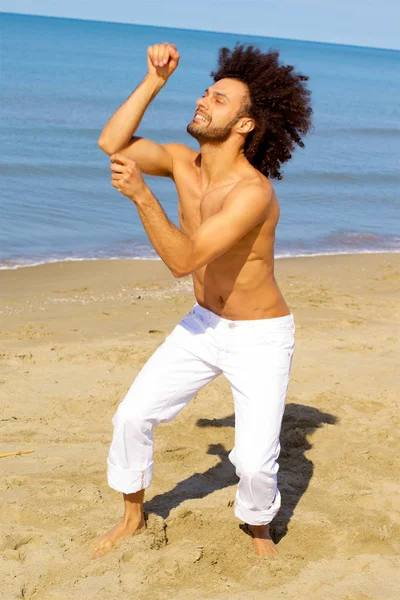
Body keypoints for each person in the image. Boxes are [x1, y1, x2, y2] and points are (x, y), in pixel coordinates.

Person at [91, 42, 312, 559]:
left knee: (255, 464)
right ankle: (132, 518)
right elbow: (111, 142)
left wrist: (144, 197)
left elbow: (184, 260)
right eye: (205, 93)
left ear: (244, 125)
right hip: (201, 324)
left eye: (219, 99)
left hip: (258, 336)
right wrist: (154, 80)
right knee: (131, 417)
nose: (203, 101)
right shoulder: (181, 163)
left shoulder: (251, 193)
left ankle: (259, 528)